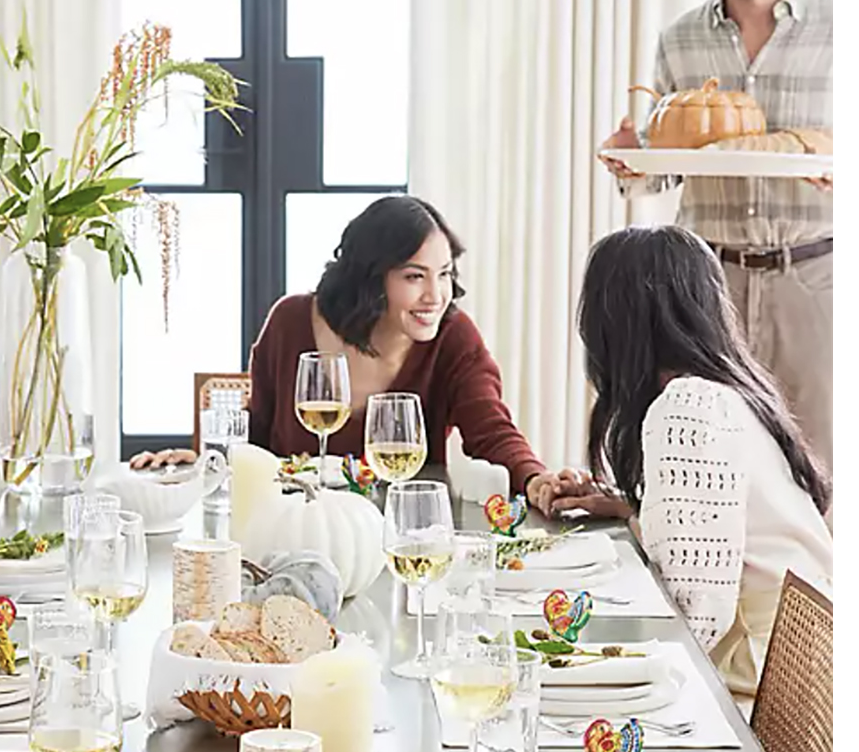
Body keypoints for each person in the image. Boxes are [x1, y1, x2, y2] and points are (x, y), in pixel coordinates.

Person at [602, 0, 834, 476]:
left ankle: (823, 579)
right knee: (704, 458)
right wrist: (633, 161)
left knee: (822, 465)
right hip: (704, 281)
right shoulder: (680, 40)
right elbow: (664, 164)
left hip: (813, 276)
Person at [246, 195, 623, 519]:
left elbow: (490, 429)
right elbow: (254, 436)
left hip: (401, 533)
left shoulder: (452, 338)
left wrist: (535, 478)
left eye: (443, 274)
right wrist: (203, 464)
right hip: (296, 528)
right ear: (370, 278)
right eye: (414, 277)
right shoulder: (290, 322)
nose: (436, 295)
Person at [577, 225, 832, 701]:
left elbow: (695, 615)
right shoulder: (730, 393)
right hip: (802, 669)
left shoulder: (688, 406)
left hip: (763, 682)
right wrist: (628, 511)